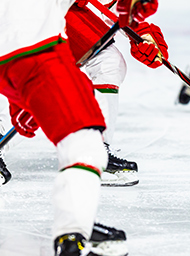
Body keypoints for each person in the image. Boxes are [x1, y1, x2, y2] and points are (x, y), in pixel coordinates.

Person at [0, 0, 164, 256]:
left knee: (105, 69)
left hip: (33, 43)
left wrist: (146, 34)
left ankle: (75, 230)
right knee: (84, 143)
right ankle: (71, 244)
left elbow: (124, 15)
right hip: (36, 48)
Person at [0, 0, 168, 187]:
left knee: (109, 63)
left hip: (74, 28)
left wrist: (144, 36)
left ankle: (96, 151)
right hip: (28, 25)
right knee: (21, 89)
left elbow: (125, 10)